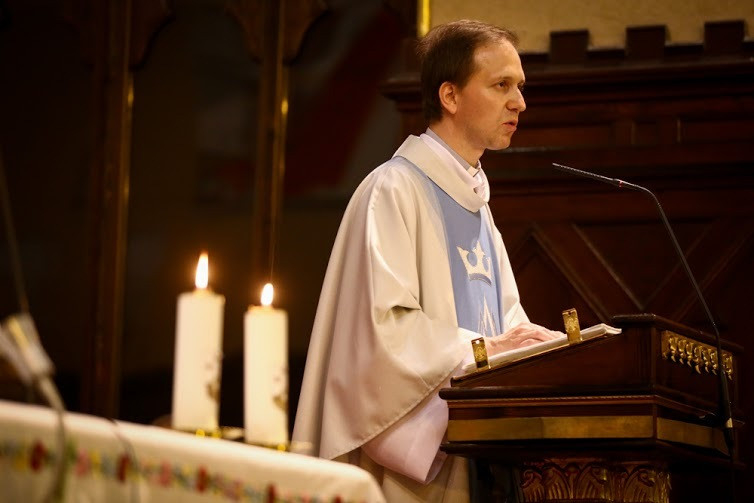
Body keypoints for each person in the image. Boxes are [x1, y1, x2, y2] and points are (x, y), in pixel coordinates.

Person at [293, 19, 563, 502]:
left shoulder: (477, 205)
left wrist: (546, 350)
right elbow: (383, 334)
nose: (519, 102)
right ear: (450, 96)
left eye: (520, 87)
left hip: (481, 454)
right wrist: (486, 350)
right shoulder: (393, 190)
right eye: (502, 85)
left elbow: (507, 325)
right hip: (414, 467)